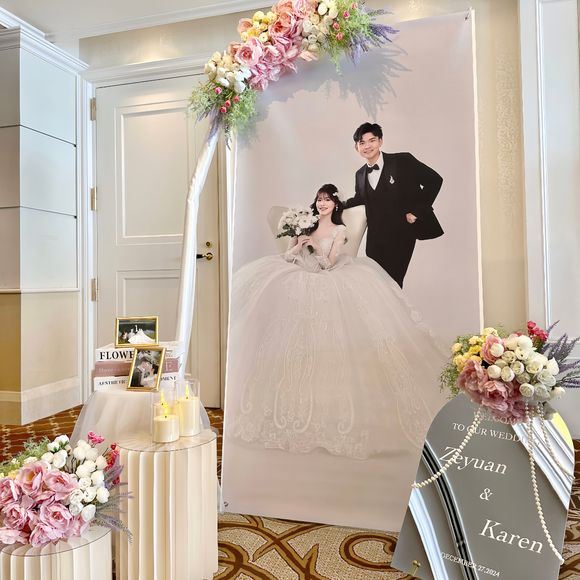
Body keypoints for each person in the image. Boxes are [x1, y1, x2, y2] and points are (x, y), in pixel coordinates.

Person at [225, 183, 446, 461]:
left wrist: (315, 247)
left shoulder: (340, 230)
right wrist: (299, 245)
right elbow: (287, 257)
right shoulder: (305, 225)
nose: (322, 204)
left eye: (327, 200)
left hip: (327, 279)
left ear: (336, 204)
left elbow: (329, 264)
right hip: (298, 278)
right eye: (319, 199)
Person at [345, 122, 444, 288]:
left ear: (380, 141)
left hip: (402, 235)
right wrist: (332, 203)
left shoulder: (402, 161)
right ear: (357, 147)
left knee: (393, 284)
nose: (367, 146)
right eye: (362, 143)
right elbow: (360, 200)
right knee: (376, 286)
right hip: (375, 240)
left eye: (372, 140)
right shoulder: (360, 174)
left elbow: (434, 180)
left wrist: (416, 211)